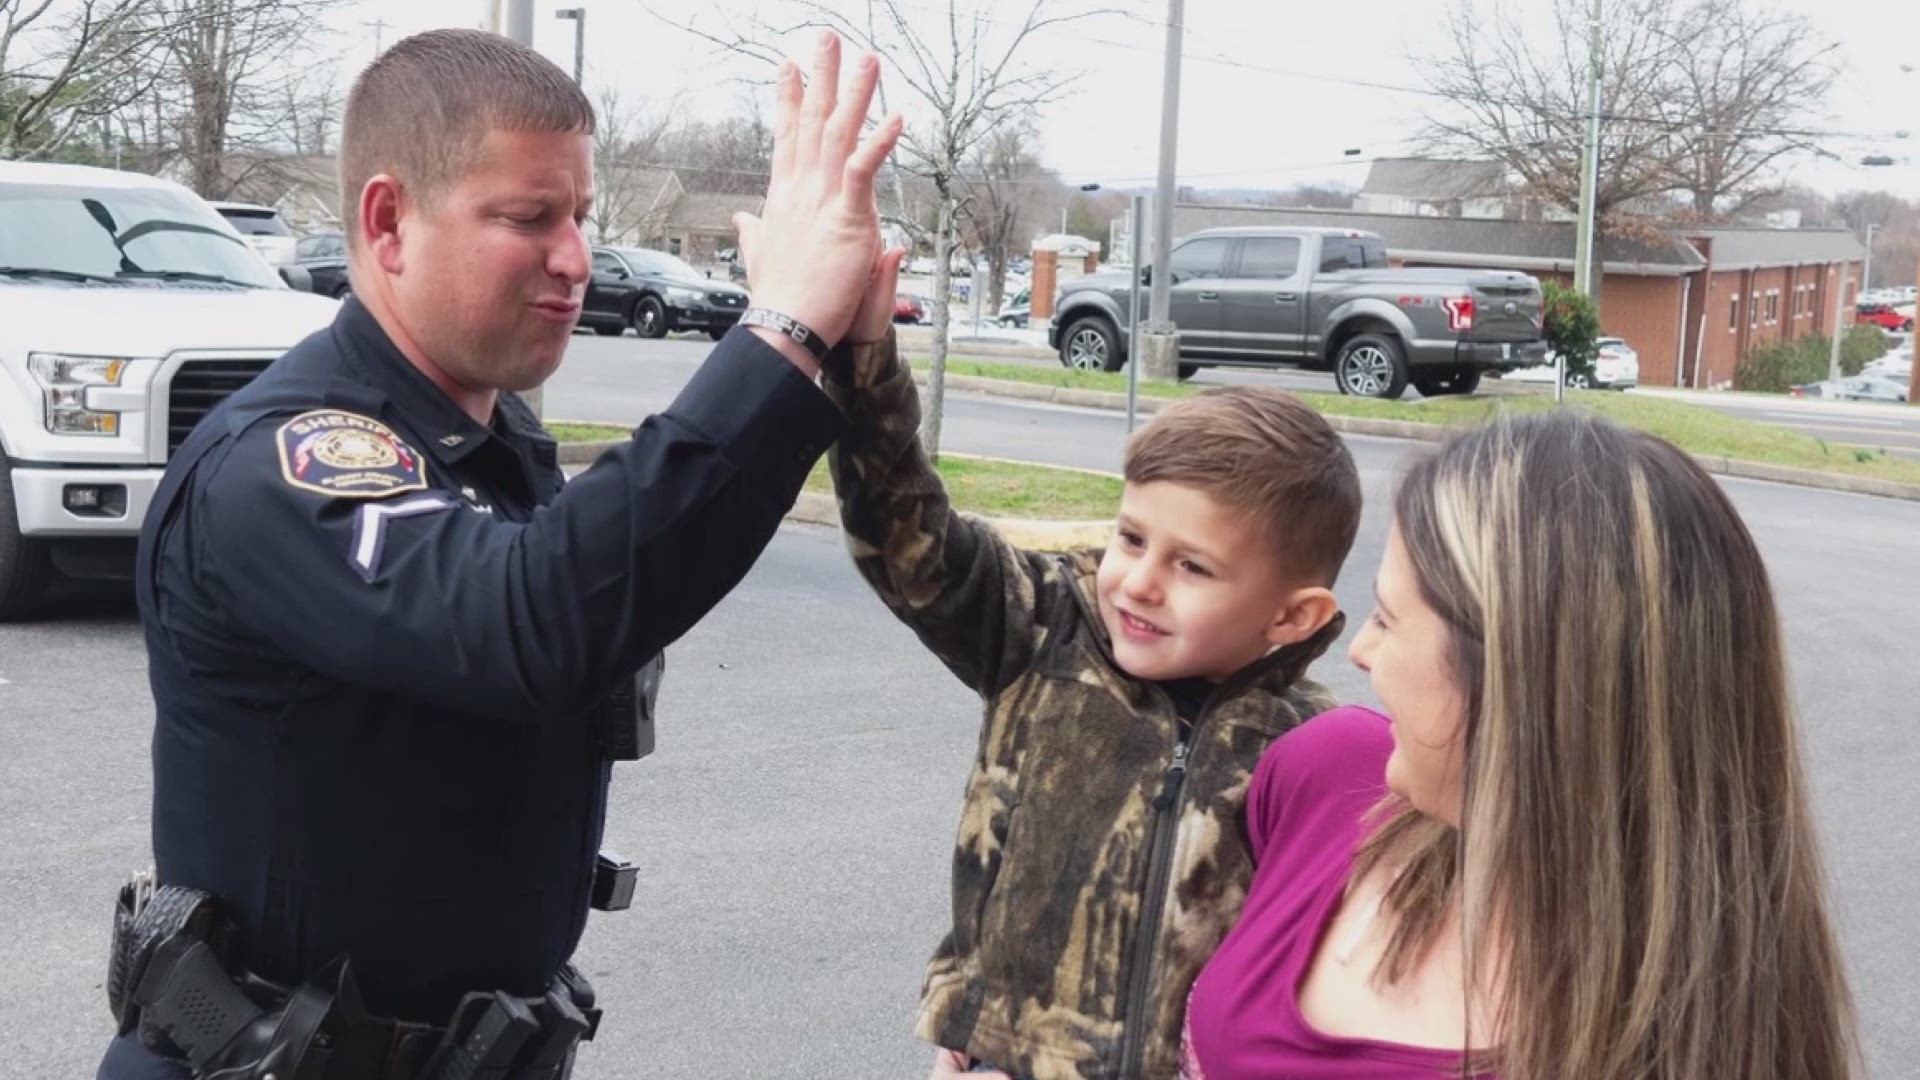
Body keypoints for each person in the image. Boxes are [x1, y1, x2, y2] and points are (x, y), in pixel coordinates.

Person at [98, 27, 903, 1080]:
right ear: (389, 223)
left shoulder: (490, 450)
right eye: (529, 217)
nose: (575, 258)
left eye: (579, 216)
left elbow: (601, 578)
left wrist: (839, 354)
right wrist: (780, 332)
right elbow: (527, 623)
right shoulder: (283, 462)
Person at [1181, 411, 1860, 1080]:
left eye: (1388, 619)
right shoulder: (1324, 776)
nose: (1359, 650)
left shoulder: (1686, 1038)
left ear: (1515, 683)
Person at [818, 258, 1363, 1080]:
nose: (1138, 581)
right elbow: (906, 537)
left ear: (1292, 617)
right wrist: (863, 357)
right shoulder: (1042, 629)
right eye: (1133, 538)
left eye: (1194, 568)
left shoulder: (1307, 755)